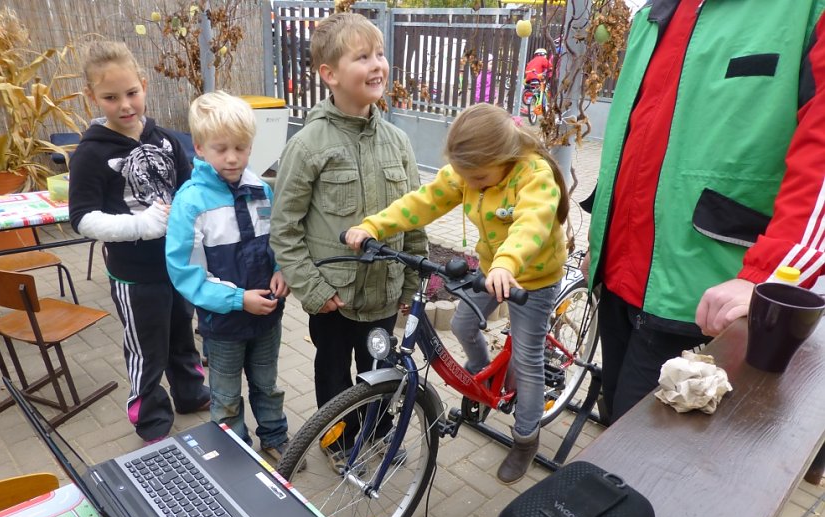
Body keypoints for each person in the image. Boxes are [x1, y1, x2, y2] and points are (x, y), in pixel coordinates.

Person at [583, 0, 825, 424]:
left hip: (708, 300)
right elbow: (638, 141)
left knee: (654, 464)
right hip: (619, 286)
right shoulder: (654, 12)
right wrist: (601, 242)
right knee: (614, 422)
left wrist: (770, 278)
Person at [346, 103, 570, 485]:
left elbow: (532, 224)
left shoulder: (534, 175)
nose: (470, 183)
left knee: (529, 361)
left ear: (505, 157)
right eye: (465, 176)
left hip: (531, 278)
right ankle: (484, 381)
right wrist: (373, 227)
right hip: (492, 270)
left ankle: (525, 438)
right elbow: (423, 202)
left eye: (479, 178)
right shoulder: (471, 170)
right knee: (465, 322)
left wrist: (507, 263)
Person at [271, 12, 427, 473]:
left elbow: (415, 218)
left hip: (383, 292)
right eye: (362, 56)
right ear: (330, 74)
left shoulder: (398, 142)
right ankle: (338, 440)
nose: (378, 64)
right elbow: (285, 228)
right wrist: (315, 291)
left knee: (378, 367)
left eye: (380, 54)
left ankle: (377, 434)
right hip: (334, 298)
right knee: (335, 373)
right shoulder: (309, 145)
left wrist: (410, 285)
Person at [68, 41, 209, 443]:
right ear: (91, 97)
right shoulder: (90, 154)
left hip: (176, 264)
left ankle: (190, 392)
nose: (125, 105)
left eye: (132, 92)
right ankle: (149, 416)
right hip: (134, 275)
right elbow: (82, 219)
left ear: (144, 85)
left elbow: (188, 190)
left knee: (182, 332)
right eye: (111, 97)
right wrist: (140, 225)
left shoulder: (164, 139)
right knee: (147, 346)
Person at [164, 91, 291, 458]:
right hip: (223, 325)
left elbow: (275, 240)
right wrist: (238, 300)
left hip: (267, 316)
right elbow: (185, 273)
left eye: (241, 147)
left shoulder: (260, 190)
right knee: (225, 394)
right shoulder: (191, 203)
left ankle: (275, 437)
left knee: (267, 385)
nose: (233, 157)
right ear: (200, 148)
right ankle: (235, 452)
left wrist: (282, 269)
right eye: (221, 149)